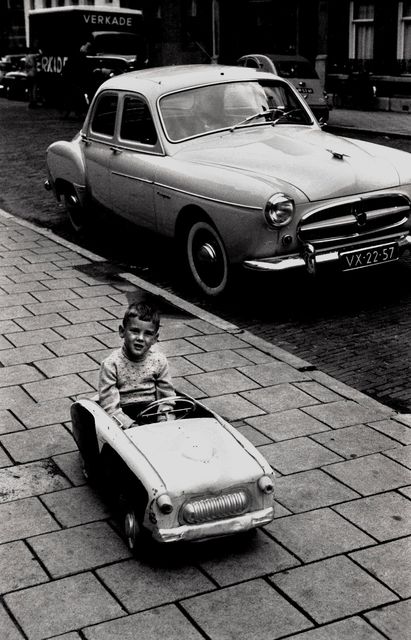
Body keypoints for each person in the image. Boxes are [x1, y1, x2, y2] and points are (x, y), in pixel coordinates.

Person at [99, 302, 175, 429]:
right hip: (124, 416)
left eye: (148, 333)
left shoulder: (159, 361)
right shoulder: (111, 364)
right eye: (135, 331)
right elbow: (110, 407)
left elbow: (167, 396)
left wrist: (163, 418)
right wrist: (130, 425)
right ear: (122, 332)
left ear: (155, 338)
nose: (140, 338)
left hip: (153, 413)